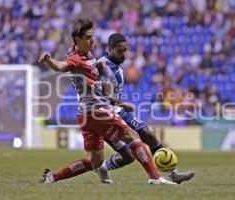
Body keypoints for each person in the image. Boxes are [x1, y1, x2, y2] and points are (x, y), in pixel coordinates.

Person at [38, 18, 174, 185]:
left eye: (92, 36)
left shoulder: (87, 55)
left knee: (93, 162)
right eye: (88, 37)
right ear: (78, 40)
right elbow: (61, 66)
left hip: (86, 114)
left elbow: (98, 87)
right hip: (97, 111)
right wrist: (48, 60)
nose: (92, 40)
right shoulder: (75, 59)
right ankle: (155, 178)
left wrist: (118, 102)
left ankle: (52, 177)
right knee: (133, 136)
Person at [97, 33, 195, 184]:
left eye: (125, 50)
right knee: (129, 155)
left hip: (116, 109)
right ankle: (104, 167)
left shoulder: (116, 64)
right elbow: (104, 91)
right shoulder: (102, 65)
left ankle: (171, 173)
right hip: (104, 113)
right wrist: (120, 103)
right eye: (119, 50)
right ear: (109, 49)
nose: (123, 54)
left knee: (146, 133)